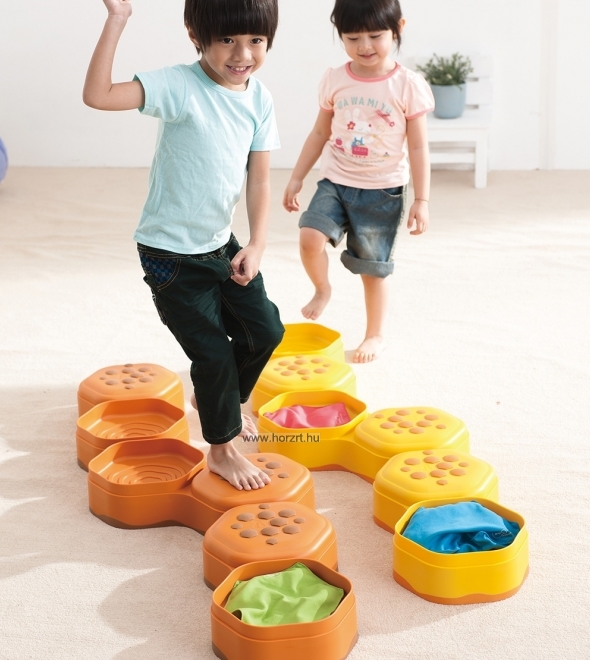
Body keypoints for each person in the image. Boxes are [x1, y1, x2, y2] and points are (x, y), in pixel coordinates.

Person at [84, 0, 284, 490]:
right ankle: (222, 450)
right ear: (196, 34)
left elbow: (259, 180)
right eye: (227, 40)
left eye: (256, 41)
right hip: (169, 254)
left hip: (220, 244)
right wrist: (117, 20)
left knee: (265, 330)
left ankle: (219, 401)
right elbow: (98, 96)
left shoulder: (259, 97)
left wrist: (257, 244)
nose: (243, 54)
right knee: (213, 354)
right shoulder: (178, 85)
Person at [283, 0, 433, 363]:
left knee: (372, 270)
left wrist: (422, 199)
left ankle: (375, 334)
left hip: (383, 190)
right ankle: (322, 289)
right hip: (336, 180)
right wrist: (297, 177)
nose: (364, 46)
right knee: (309, 237)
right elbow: (320, 132)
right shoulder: (335, 79)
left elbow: (418, 146)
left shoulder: (407, 85)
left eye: (375, 36)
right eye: (352, 38)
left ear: (398, 28)